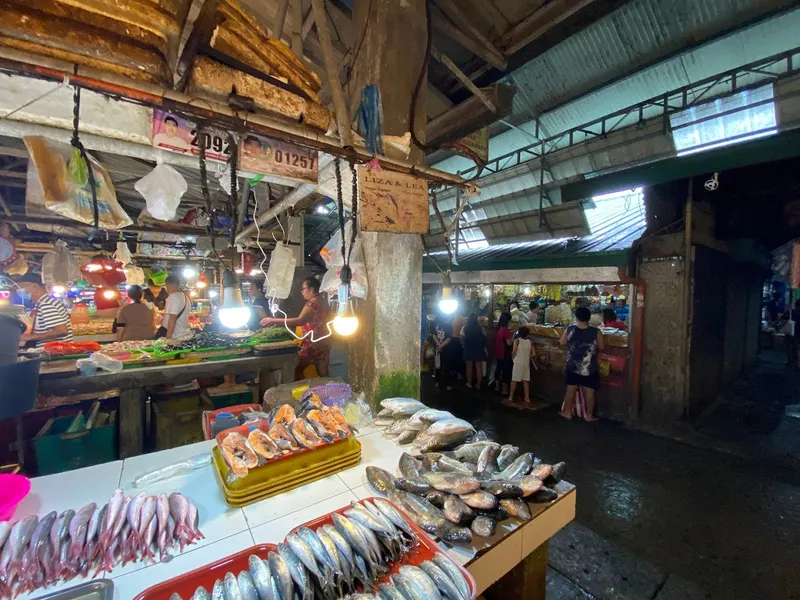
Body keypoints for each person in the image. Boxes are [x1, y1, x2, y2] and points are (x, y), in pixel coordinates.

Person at [261, 277, 330, 379]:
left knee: (296, 368)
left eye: (304, 288)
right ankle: (327, 390)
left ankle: (302, 391)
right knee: (323, 371)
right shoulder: (323, 301)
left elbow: (300, 320)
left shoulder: (311, 303)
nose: (302, 292)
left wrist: (273, 320)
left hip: (312, 341)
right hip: (324, 340)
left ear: (311, 289)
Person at [560, 306, 605, 422]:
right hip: (588, 367)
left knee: (571, 389)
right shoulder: (596, 331)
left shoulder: (570, 329)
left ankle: (567, 412)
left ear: (576, 317)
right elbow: (601, 346)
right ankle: (589, 416)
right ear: (589, 318)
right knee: (589, 391)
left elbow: (562, 342)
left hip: (572, 365)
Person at [15, 273, 73, 349]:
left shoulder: (45, 304)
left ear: (34, 286)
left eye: (21, 287)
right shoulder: (47, 301)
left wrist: (30, 337)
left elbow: (61, 331)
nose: (18, 291)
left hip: (55, 354)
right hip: (56, 351)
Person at [157, 275, 191, 339]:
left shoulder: (173, 297)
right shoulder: (185, 297)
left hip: (175, 336)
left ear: (168, 285)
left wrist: (168, 337)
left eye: (166, 286)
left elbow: (172, 319)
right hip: (184, 334)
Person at [509, 327, 535, 404]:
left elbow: (514, 352)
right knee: (525, 381)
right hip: (526, 363)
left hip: (518, 362)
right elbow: (533, 354)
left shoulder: (517, 341)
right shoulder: (530, 342)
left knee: (514, 380)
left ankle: (510, 396)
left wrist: (513, 357)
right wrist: (527, 355)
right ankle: (527, 398)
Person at [435, 321, 462, 391]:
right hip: (447, 348)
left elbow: (433, 335)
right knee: (446, 366)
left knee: (438, 366)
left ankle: (437, 382)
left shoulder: (436, 324)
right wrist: (442, 346)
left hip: (438, 348)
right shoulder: (449, 325)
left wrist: (439, 344)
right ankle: (448, 385)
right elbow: (449, 338)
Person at [462, 314, 486, 389]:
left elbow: (461, 337)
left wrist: (464, 345)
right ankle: (479, 384)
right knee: (479, 367)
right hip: (479, 349)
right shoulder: (480, 328)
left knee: (469, 366)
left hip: (468, 348)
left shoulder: (465, 327)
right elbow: (484, 337)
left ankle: (469, 383)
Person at [494, 312, 513, 396]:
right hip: (505, 352)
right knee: (506, 371)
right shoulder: (505, 330)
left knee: (498, 369)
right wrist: (513, 335)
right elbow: (509, 343)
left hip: (498, 351)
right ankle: (504, 390)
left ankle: (497, 387)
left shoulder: (498, 328)